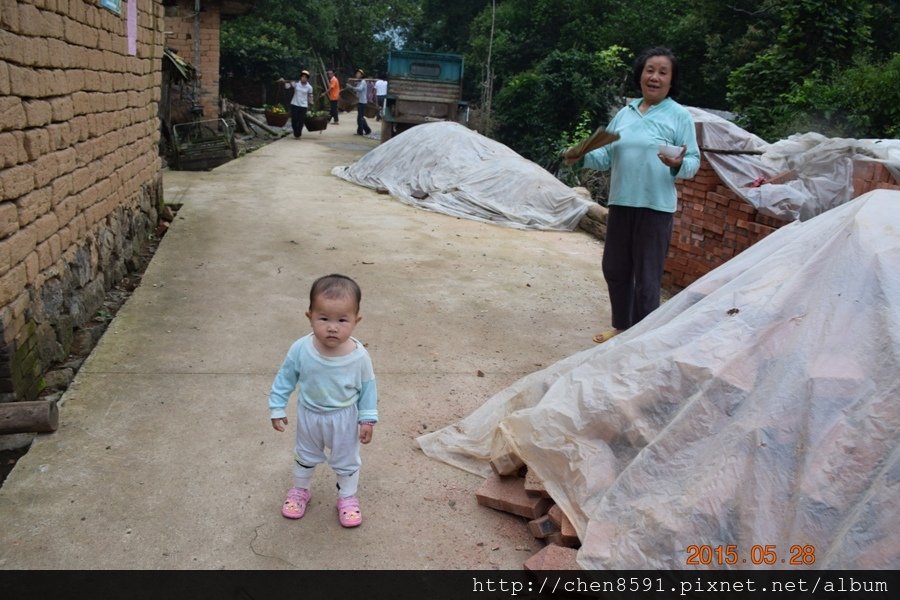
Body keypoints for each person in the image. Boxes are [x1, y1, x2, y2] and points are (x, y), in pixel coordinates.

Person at [566, 47, 700, 344]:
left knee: (647, 278)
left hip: (655, 207)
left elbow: (694, 163)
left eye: (663, 72)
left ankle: (643, 339)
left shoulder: (679, 117)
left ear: (671, 80)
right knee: (615, 268)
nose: (655, 77)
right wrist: (581, 155)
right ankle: (622, 328)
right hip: (621, 202)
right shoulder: (624, 115)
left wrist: (678, 163)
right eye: (649, 70)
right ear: (640, 74)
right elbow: (604, 157)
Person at [268, 274, 378, 528]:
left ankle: (347, 497)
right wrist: (276, 406)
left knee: (347, 460)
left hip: (344, 417)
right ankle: (300, 490)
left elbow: (368, 388)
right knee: (305, 455)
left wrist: (367, 418)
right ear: (309, 317)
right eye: (324, 318)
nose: (332, 327)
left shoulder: (359, 357)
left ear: (356, 321)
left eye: (342, 320)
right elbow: (285, 378)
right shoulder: (300, 349)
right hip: (310, 414)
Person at [281, 70, 314, 139]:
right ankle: (296, 132)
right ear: (300, 77)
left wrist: (311, 104)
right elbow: (287, 86)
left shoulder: (309, 87)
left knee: (301, 120)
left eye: (305, 77)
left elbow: (310, 96)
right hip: (295, 104)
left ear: (307, 78)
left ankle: (298, 134)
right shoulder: (296, 84)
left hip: (303, 106)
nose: (303, 78)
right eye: (302, 77)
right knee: (294, 120)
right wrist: (283, 82)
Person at [349, 68, 372, 136]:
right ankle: (367, 130)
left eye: (358, 74)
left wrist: (352, 87)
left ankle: (360, 132)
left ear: (362, 75)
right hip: (359, 101)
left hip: (362, 102)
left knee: (360, 118)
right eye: (356, 73)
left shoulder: (363, 82)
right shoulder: (359, 82)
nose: (357, 74)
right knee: (361, 117)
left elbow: (360, 89)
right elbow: (356, 91)